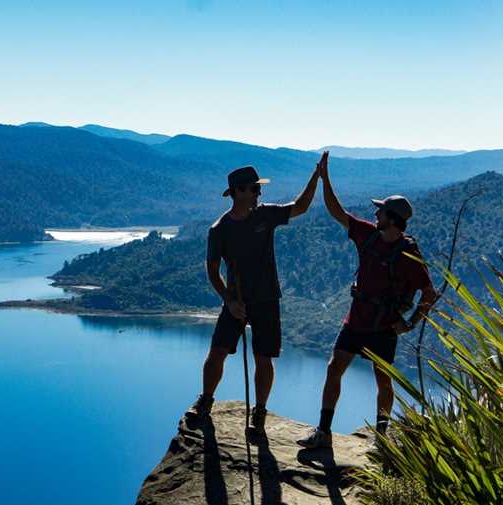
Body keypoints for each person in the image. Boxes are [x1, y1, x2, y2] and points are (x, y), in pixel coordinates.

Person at [298, 152, 438, 448]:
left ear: (392, 219)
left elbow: (429, 294)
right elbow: (336, 211)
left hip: (384, 327)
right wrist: (325, 179)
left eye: (381, 211)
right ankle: (323, 432)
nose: (376, 214)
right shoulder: (368, 235)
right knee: (334, 368)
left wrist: (410, 324)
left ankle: (382, 438)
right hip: (356, 321)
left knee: (382, 381)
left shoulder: (410, 256)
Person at [188, 157, 324, 436]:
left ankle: (259, 410)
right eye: (253, 188)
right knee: (217, 353)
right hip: (236, 299)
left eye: (258, 188)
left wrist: (316, 177)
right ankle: (206, 400)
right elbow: (212, 270)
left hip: (266, 298)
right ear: (237, 191)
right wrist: (229, 300)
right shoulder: (219, 229)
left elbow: (300, 207)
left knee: (264, 357)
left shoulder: (266, 215)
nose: (258, 193)